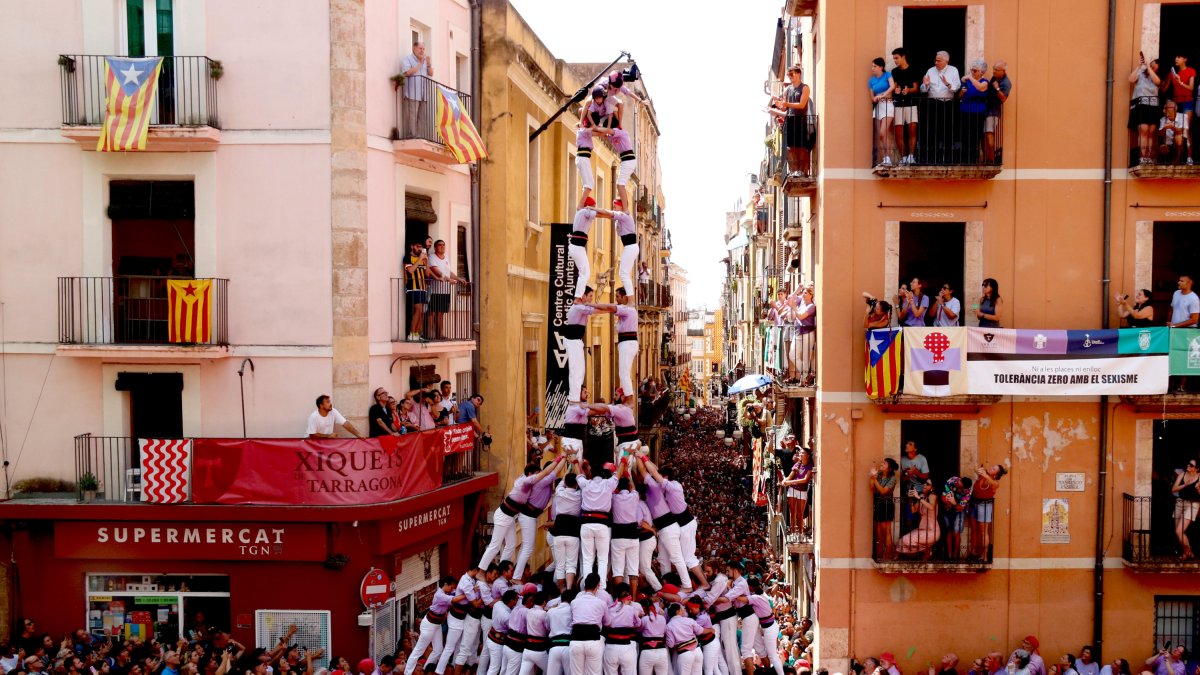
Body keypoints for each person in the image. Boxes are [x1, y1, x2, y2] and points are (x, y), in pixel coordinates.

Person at [478, 457, 567, 569]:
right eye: (536, 475)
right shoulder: (526, 481)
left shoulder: (526, 479)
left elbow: (545, 472)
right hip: (503, 515)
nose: (538, 477)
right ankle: (481, 571)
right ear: (530, 474)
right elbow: (546, 472)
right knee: (495, 546)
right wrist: (561, 457)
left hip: (510, 516)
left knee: (510, 545)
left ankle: (502, 570)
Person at [565, 288, 618, 403]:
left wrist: (612, 308)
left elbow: (597, 309)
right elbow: (597, 310)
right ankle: (573, 399)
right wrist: (613, 308)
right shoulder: (579, 308)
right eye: (589, 296)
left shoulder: (581, 308)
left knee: (580, 372)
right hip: (572, 341)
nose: (591, 299)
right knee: (576, 371)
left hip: (577, 341)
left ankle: (575, 397)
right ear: (582, 296)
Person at [578, 461, 621, 588]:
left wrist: (576, 462)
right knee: (602, 559)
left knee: (587, 560)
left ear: (591, 474)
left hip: (586, 524)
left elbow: (578, 474)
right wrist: (624, 457)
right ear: (603, 474)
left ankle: (587, 587)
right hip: (602, 525)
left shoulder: (585, 483)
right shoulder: (608, 484)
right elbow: (617, 475)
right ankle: (601, 587)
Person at [403, 577, 455, 675]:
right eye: (451, 587)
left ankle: (426, 670)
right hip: (429, 625)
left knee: (438, 649)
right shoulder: (439, 595)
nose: (452, 590)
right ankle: (407, 673)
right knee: (418, 651)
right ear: (446, 585)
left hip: (437, 625)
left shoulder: (446, 593)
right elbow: (455, 599)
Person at [568, 201, 616, 301]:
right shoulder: (585, 211)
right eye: (593, 206)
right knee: (585, 273)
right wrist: (613, 215)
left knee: (586, 273)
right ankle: (578, 297)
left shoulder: (582, 213)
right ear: (589, 206)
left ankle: (579, 296)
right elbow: (600, 214)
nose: (595, 208)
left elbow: (599, 215)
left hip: (577, 247)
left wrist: (612, 215)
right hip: (577, 247)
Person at [772, 65, 813, 177]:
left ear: (799, 74)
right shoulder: (788, 89)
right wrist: (778, 105)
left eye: (791, 74)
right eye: (788, 75)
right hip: (790, 121)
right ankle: (794, 170)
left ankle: (802, 171)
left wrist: (786, 104)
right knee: (791, 148)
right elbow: (785, 108)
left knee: (801, 147)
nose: (790, 77)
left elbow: (801, 105)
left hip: (801, 121)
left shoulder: (805, 88)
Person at [921, 51, 961, 164]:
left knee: (947, 130)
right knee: (932, 130)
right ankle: (932, 156)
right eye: (935, 60)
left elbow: (956, 87)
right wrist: (926, 85)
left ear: (946, 61)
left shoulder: (953, 70)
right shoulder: (930, 70)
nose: (936, 62)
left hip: (947, 104)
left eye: (939, 60)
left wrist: (947, 84)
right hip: (933, 103)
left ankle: (947, 157)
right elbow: (923, 89)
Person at [1130, 53, 1165, 165]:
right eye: (1151, 63)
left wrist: (1149, 69)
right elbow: (1131, 79)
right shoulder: (1140, 72)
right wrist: (1138, 66)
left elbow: (1157, 82)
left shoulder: (1157, 76)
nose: (1151, 64)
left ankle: (1149, 157)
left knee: (1151, 132)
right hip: (1141, 105)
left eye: (1154, 64)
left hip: (1153, 105)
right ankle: (1142, 156)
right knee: (1143, 130)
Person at [570, 574, 608, 675]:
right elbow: (608, 622)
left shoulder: (574, 602)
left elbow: (571, 620)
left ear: (584, 585)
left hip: (576, 640)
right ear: (598, 585)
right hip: (593, 640)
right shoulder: (601, 603)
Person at [969, 464, 1006, 561]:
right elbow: (975, 468)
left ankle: (984, 556)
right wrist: (979, 469)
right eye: (992, 466)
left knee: (983, 532)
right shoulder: (983, 475)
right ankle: (973, 552)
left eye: (993, 469)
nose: (991, 467)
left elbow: (993, 484)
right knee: (974, 530)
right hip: (973, 503)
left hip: (984, 505)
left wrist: (985, 474)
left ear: (996, 475)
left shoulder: (995, 483)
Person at [891, 48, 920, 165]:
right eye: (894, 58)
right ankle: (903, 157)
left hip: (911, 104)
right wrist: (897, 91)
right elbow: (895, 87)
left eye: (896, 58)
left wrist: (908, 90)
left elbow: (916, 88)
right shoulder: (894, 71)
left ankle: (911, 156)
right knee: (898, 131)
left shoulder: (913, 69)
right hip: (898, 104)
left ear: (903, 57)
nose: (895, 60)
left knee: (912, 130)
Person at [428, 240, 462, 340]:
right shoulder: (432, 257)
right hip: (435, 290)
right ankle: (430, 335)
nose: (442, 247)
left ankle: (439, 335)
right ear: (435, 247)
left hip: (445, 291)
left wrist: (458, 278)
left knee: (441, 313)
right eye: (440, 245)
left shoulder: (446, 257)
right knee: (432, 313)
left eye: (443, 245)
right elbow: (436, 271)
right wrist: (448, 279)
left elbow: (448, 271)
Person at [895, 480, 940, 556]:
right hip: (922, 528)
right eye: (925, 483)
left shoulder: (933, 496)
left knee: (908, 541)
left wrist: (918, 498)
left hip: (932, 530)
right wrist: (911, 499)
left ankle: (927, 551)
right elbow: (913, 510)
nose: (925, 485)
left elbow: (931, 507)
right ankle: (927, 551)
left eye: (928, 484)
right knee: (902, 541)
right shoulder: (922, 496)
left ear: (932, 488)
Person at [959, 60, 990, 164]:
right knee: (965, 136)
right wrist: (961, 93)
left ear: (981, 72)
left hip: (978, 113)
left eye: (975, 70)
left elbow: (980, 88)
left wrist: (970, 78)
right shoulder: (967, 81)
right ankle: (964, 159)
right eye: (971, 70)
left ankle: (973, 159)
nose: (972, 72)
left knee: (975, 136)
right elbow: (959, 96)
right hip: (965, 111)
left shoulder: (985, 82)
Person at [400, 42, 433, 138]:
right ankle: (411, 136)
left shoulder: (425, 62)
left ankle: (420, 137)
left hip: (423, 94)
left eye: (423, 49)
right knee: (412, 117)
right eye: (420, 48)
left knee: (422, 118)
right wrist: (420, 64)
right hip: (412, 94)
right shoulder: (407, 59)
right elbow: (407, 72)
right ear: (414, 49)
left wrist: (429, 64)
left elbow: (431, 73)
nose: (422, 51)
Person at [869, 458, 899, 559]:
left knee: (887, 530)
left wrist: (874, 479)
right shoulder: (880, 475)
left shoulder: (893, 478)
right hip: (879, 504)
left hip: (887, 504)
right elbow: (872, 488)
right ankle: (880, 553)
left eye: (884, 463)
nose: (881, 464)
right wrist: (872, 477)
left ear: (889, 468)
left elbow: (883, 491)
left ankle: (887, 555)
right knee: (879, 530)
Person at [1170, 458, 1200, 559]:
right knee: (1178, 532)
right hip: (1180, 503)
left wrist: (1198, 490)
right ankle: (1187, 553)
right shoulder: (1182, 475)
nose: (1188, 466)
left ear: (1197, 469)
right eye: (1188, 464)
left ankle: (1188, 552)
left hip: (1193, 505)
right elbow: (1173, 489)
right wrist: (1184, 485)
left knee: (1179, 531)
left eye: (1191, 465)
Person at [869, 57, 895, 166]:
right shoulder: (871, 81)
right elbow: (872, 97)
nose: (872, 68)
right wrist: (876, 98)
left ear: (881, 67)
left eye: (875, 66)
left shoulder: (887, 74)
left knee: (882, 133)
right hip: (879, 107)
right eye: (872, 66)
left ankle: (888, 157)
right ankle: (885, 158)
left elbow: (892, 86)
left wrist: (883, 94)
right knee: (880, 135)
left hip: (888, 105)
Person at [666, 603, 706, 675]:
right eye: (682, 609)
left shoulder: (669, 626)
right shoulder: (689, 620)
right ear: (678, 611)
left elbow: (670, 645)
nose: (684, 610)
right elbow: (700, 631)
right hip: (697, 650)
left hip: (684, 654)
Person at [938, 476, 973, 559]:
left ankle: (955, 556)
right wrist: (947, 503)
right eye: (958, 482)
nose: (957, 483)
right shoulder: (952, 480)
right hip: (948, 506)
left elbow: (960, 507)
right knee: (949, 531)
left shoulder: (967, 491)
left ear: (963, 488)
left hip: (959, 510)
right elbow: (943, 495)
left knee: (956, 531)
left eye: (959, 485)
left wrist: (954, 503)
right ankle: (949, 555)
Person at [782, 449, 813, 538]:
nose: (800, 454)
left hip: (802, 491)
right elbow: (789, 477)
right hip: (792, 490)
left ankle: (801, 533)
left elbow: (805, 480)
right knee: (793, 513)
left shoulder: (810, 466)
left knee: (800, 514)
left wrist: (790, 482)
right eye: (800, 453)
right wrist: (785, 481)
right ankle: (793, 533)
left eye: (803, 453)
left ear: (808, 455)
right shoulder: (797, 464)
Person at [984, 61, 1012, 163]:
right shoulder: (994, 78)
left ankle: (991, 159)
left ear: (1003, 71)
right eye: (993, 69)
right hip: (987, 109)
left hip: (993, 112)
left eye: (996, 70)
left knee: (989, 133)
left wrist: (997, 88)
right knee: (986, 134)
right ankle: (988, 157)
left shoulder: (1006, 83)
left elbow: (1003, 98)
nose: (994, 71)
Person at [615, 289, 639, 399]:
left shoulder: (626, 310)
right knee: (624, 373)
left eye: (618, 296)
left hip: (627, 343)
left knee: (624, 373)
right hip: (626, 343)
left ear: (625, 298)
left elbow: (610, 308)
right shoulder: (624, 312)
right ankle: (625, 393)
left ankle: (629, 398)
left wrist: (593, 307)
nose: (616, 299)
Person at [900, 441, 930, 529]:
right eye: (906, 444)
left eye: (910, 444)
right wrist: (908, 475)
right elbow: (901, 478)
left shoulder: (921, 458)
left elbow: (926, 477)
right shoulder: (902, 459)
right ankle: (909, 536)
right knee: (909, 515)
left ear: (915, 449)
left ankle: (919, 536)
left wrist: (916, 472)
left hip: (921, 490)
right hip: (909, 491)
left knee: (921, 514)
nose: (906, 445)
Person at [404, 241, 430, 341]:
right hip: (413, 288)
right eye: (418, 246)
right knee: (417, 310)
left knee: (421, 312)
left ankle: (416, 334)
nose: (419, 249)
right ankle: (411, 334)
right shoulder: (407, 257)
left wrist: (426, 262)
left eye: (421, 247)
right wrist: (419, 259)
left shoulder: (423, 258)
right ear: (412, 246)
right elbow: (410, 270)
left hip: (422, 288)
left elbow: (427, 274)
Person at [792, 287, 816, 386]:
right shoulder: (801, 304)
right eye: (803, 293)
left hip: (808, 333)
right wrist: (797, 290)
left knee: (806, 358)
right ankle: (805, 374)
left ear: (811, 295)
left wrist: (794, 308)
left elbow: (801, 316)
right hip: (798, 332)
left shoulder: (811, 306)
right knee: (792, 355)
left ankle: (804, 379)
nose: (803, 294)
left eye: (806, 293)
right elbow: (790, 298)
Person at [611, 127, 637, 207]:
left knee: (620, 184)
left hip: (628, 160)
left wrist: (593, 127)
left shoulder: (621, 132)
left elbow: (605, 131)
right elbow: (602, 133)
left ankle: (625, 208)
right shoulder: (611, 135)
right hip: (626, 161)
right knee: (620, 186)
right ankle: (624, 206)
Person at [1158, 100, 1190, 165]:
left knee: (1178, 136)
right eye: (1164, 109)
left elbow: (1182, 130)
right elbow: (1159, 134)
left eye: (1166, 108)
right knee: (1162, 146)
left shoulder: (1183, 117)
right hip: (1168, 145)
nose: (1164, 111)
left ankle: (1177, 159)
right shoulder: (1162, 119)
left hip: (1181, 146)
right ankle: (1163, 160)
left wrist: (1172, 127)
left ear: (1174, 109)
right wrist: (1164, 128)